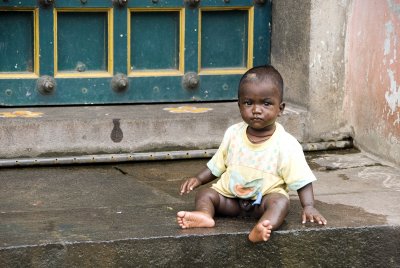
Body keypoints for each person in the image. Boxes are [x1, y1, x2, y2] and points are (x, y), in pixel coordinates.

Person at [177, 65, 327, 243]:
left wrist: (309, 206)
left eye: (266, 103)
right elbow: (217, 164)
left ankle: (262, 226)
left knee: (280, 202)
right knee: (205, 194)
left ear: (280, 108)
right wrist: (198, 179)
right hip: (230, 200)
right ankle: (204, 215)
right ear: (239, 105)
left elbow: (301, 179)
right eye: (248, 103)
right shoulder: (233, 133)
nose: (256, 110)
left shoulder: (286, 144)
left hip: (263, 202)